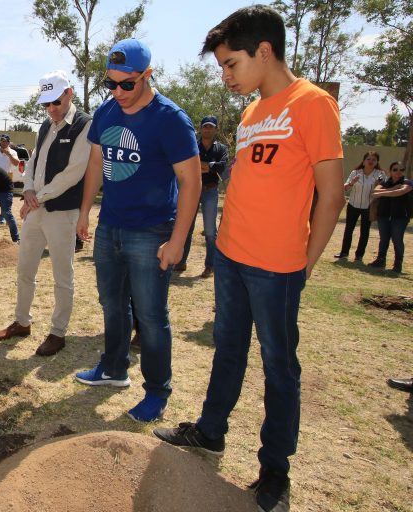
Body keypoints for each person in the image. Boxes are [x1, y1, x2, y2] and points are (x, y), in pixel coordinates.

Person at [153, 7, 346, 512]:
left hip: (278, 265)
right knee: (228, 348)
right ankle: (211, 430)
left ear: (264, 51)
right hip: (232, 257)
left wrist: (305, 264)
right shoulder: (252, 113)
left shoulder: (314, 104)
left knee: (280, 367)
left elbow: (331, 196)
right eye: (221, 66)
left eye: (231, 64)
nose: (226, 75)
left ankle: (274, 472)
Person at [74, 39, 201, 422]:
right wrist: (85, 213)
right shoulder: (107, 112)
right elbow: (96, 163)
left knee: (150, 316)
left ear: (147, 76)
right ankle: (113, 368)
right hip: (111, 224)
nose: (117, 92)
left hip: (151, 232)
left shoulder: (171, 119)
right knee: (112, 306)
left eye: (126, 84)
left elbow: (191, 182)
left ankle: (158, 392)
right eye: (109, 84)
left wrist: (177, 241)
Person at [0, 70, 92, 357]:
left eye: (56, 103)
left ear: (69, 94)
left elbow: (73, 173)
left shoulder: (84, 125)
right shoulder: (46, 126)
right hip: (37, 208)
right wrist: (29, 190)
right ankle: (22, 322)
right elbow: (33, 161)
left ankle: (58, 332)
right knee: (25, 269)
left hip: (62, 212)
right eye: (46, 104)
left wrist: (38, 196)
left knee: (63, 275)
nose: (51, 109)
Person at [176, 115, 229, 277]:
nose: (207, 129)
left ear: (216, 129)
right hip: (192, 190)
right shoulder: (192, 146)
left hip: (210, 191)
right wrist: (208, 167)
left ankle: (210, 266)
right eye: (205, 126)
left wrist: (208, 166)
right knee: (187, 226)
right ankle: (181, 261)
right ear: (200, 128)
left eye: (211, 127)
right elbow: (186, 164)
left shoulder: (221, 149)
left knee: (210, 231)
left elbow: (223, 166)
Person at [334, 151, 386, 261]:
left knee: (365, 231)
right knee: (349, 229)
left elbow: (383, 189)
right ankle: (344, 252)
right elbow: (345, 188)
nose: (371, 161)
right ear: (363, 161)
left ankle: (359, 255)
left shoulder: (380, 174)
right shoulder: (355, 172)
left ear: (377, 162)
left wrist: (378, 185)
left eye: (374, 159)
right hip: (353, 204)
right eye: (368, 159)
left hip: (369, 206)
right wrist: (352, 182)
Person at [368, 161, 412, 273]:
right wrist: (392, 189)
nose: (398, 172)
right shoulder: (385, 182)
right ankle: (381, 260)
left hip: (400, 216)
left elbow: (400, 192)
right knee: (384, 239)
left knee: (397, 239)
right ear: (390, 171)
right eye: (395, 169)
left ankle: (398, 263)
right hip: (384, 215)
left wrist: (382, 193)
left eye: (401, 170)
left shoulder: (407, 182)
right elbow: (374, 192)